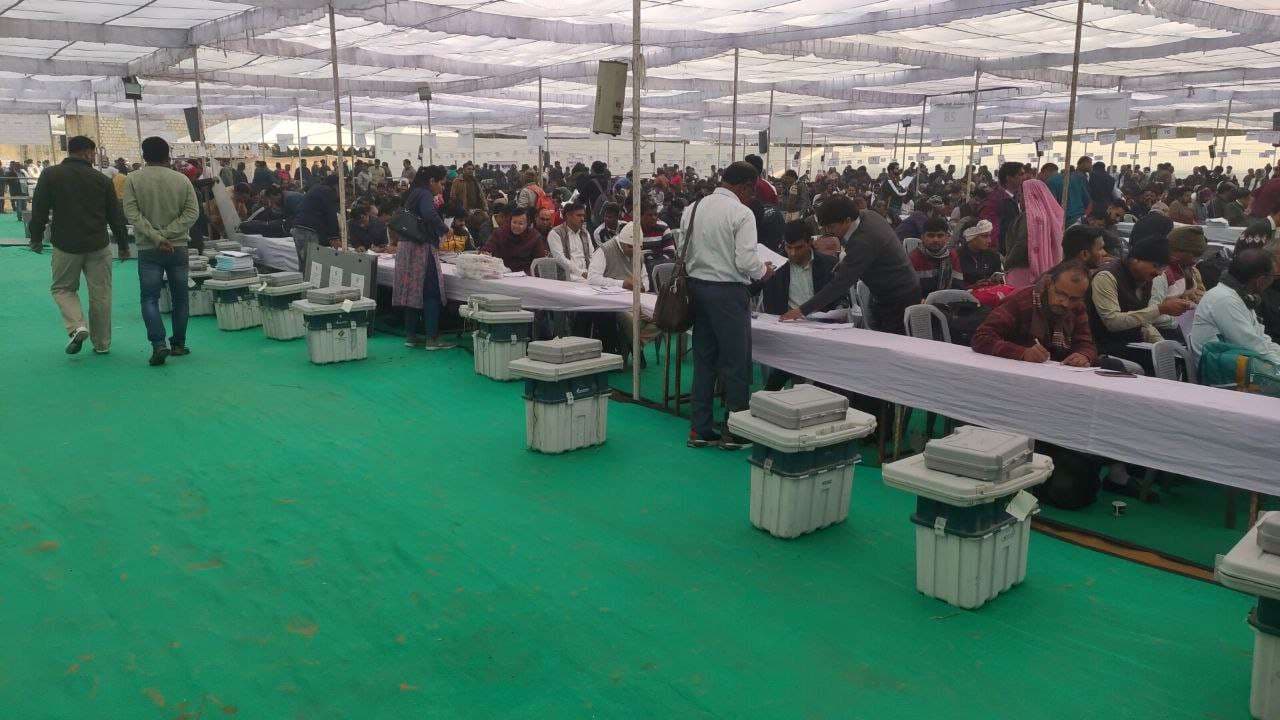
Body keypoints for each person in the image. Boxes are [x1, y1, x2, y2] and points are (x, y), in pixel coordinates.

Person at [682, 161, 774, 449]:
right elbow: (746, 262)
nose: (753, 196)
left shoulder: (693, 208)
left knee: (704, 360)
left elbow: (684, 250)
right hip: (729, 293)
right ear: (746, 186)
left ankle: (700, 428)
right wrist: (764, 271)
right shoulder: (741, 213)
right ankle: (735, 430)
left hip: (697, 288)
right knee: (735, 363)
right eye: (753, 190)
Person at [28, 136, 130, 355]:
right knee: (101, 294)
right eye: (93, 153)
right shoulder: (101, 179)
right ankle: (102, 344)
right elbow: (115, 216)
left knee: (63, 288)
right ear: (86, 153)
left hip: (65, 244)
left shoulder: (50, 174)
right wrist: (123, 245)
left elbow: (39, 210)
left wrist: (35, 238)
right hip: (98, 244)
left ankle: (77, 326)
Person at [780, 194, 920, 333]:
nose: (829, 232)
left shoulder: (864, 240)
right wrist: (846, 263)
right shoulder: (867, 215)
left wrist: (802, 310)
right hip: (889, 289)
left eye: (831, 226)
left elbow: (840, 284)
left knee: (892, 343)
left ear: (847, 220)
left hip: (898, 295)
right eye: (825, 227)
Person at [123, 137, 201, 366]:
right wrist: (169, 234)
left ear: (144, 156)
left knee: (149, 298)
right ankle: (178, 344)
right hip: (177, 247)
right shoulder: (182, 180)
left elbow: (132, 214)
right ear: (168, 155)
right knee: (180, 298)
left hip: (149, 248)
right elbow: (192, 213)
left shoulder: (133, 179)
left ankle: (158, 344)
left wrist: (157, 237)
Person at [753, 221, 839, 390]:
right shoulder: (774, 265)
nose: (792, 253)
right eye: (788, 247)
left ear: (810, 243)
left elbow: (839, 298)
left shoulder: (829, 265)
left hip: (821, 329)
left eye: (798, 248)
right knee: (794, 356)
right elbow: (751, 289)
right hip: (785, 329)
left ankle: (773, 392)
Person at [1087, 232, 1191, 371]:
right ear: (1135, 260)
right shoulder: (1107, 277)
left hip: (1132, 342)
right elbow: (1112, 322)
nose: (1159, 273)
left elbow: (1143, 322)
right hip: (1105, 345)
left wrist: (1162, 345)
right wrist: (1160, 309)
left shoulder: (1145, 279)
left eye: (1162, 268)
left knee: (1176, 360)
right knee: (1152, 365)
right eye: (1156, 266)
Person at [971, 260, 1096, 366]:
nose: (1065, 303)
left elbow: (1085, 343)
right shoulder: (1020, 301)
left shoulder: (1077, 308)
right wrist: (1022, 353)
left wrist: (1084, 355)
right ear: (1048, 284)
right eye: (1060, 293)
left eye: (1073, 299)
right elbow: (982, 337)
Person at [393, 165, 453, 350]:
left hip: (405, 247)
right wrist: (445, 229)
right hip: (421, 248)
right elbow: (428, 213)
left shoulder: (412, 193)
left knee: (411, 290)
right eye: (441, 183)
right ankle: (432, 339)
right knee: (430, 291)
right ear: (432, 181)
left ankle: (411, 336)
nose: (442, 187)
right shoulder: (425, 194)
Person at [1189, 248, 1280, 365]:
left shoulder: (1240, 297)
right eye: (1273, 276)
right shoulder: (1225, 300)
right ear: (1261, 280)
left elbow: (1261, 340)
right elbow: (1253, 347)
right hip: (1219, 374)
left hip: (1234, 366)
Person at [587, 222, 660, 348]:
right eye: (631, 247)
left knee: (664, 316)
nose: (635, 251)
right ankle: (636, 346)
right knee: (630, 319)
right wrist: (622, 284)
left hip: (638, 299)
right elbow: (592, 278)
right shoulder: (605, 250)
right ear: (622, 243)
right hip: (615, 302)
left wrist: (644, 287)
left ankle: (637, 343)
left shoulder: (638, 253)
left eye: (638, 247)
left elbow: (644, 277)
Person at [1150, 226, 1208, 340]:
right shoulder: (1160, 274)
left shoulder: (1188, 270)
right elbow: (1153, 314)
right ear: (1177, 250)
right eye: (1194, 255)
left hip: (1185, 326)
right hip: (1166, 331)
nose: (1195, 260)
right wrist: (1177, 321)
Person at [1005, 178, 1063, 288]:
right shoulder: (1050, 217)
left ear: (1028, 195)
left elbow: (1022, 244)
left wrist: (1007, 263)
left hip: (1022, 272)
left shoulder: (1028, 218)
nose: (1019, 199)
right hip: (1046, 271)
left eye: (1021, 195)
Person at [291, 174, 340, 266]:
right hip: (309, 230)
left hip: (298, 227)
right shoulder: (328, 192)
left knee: (304, 264)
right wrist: (334, 236)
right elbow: (330, 213)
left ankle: (304, 279)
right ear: (336, 185)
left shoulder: (316, 189)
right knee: (313, 265)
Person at [909, 216, 964, 296]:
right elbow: (908, 290)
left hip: (947, 303)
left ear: (947, 238)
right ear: (922, 237)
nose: (935, 240)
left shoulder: (952, 256)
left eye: (940, 235)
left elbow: (958, 286)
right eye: (931, 235)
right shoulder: (913, 258)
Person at [482, 209, 548, 275]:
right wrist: (486, 253)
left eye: (520, 224)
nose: (516, 226)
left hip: (526, 275)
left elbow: (539, 261)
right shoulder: (500, 233)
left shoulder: (535, 237)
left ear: (527, 224)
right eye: (514, 222)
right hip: (502, 273)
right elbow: (488, 248)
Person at [981, 161, 1026, 254]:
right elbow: (988, 227)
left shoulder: (1017, 197)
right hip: (1000, 250)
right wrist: (994, 251)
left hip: (1012, 248)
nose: (1024, 177)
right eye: (1020, 174)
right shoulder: (996, 199)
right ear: (1009, 178)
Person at [547, 201, 592, 281]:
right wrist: (581, 273)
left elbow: (591, 255)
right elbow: (560, 259)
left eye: (583, 216)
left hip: (588, 273)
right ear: (568, 216)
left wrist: (593, 272)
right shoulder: (555, 233)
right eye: (579, 215)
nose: (582, 219)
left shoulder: (585, 233)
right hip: (567, 275)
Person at [956, 218, 1003, 285]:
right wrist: (973, 287)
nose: (989, 240)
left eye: (989, 236)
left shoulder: (993, 256)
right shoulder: (957, 257)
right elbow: (954, 286)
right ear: (971, 237)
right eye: (985, 236)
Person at [1045, 156, 1089, 227]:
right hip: (1081, 218)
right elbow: (1088, 202)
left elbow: (1051, 206)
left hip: (1065, 221)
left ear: (1046, 172)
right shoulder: (1077, 180)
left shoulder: (1050, 182)